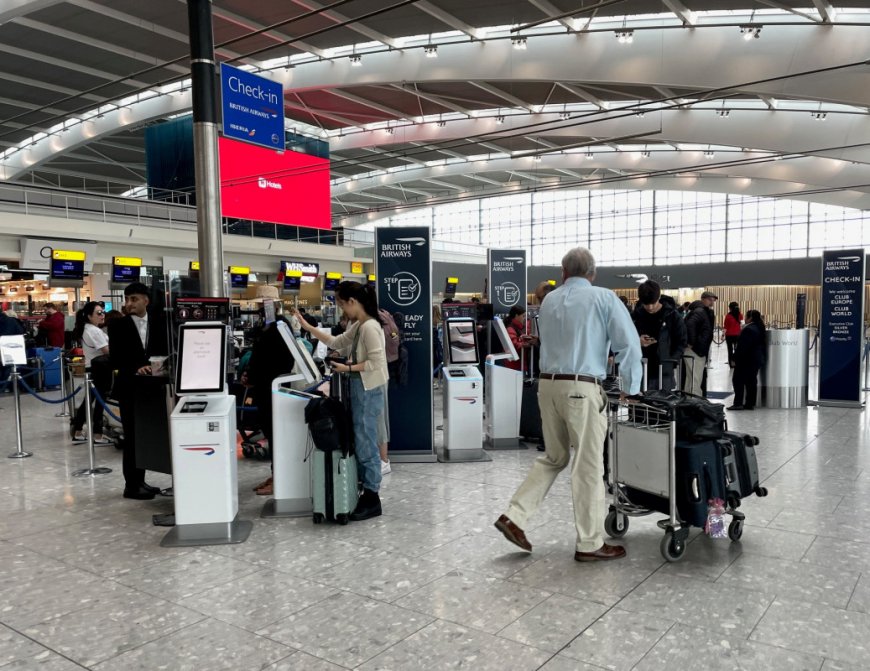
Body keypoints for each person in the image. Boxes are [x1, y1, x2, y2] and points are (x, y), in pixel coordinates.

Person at [495, 247, 641, 562]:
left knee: (555, 457)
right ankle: (590, 543)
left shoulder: (549, 300)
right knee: (588, 464)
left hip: (548, 387)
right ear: (593, 273)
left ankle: (515, 516)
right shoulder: (603, 298)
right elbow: (628, 345)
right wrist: (631, 389)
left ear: (563, 272)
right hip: (581, 387)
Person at [294, 281, 389, 521]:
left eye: (341, 304)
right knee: (360, 437)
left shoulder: (369, 327)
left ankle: (372, 497)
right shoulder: (360, 326)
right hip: (362, 387)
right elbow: (336, 342)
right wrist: (307, 326)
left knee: (365, 439)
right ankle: (368, 491)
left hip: (368, 388)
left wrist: (347, 367)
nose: (341, 309)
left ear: (353, 302)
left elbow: (377, 363)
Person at [108, 282, 167, 500]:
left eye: (134, 299)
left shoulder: (160, 323)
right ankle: (131, 485)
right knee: (132, 435)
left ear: (146, 300)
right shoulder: (118, 326)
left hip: (154, 388)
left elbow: (165, 350)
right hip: (130, 387)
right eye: (127, 299)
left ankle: (141, 480)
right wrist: (136, 367)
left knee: (147, 434)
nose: (129, 303)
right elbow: (115, 358)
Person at [70, 302, 113, 444]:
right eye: (98, 313)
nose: (102, 316)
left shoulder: (88, 329)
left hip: (92, 368)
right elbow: (106, 351)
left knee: (88, 401)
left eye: (103, 312)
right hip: (99, 369)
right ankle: (97, 434)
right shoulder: (94, 331)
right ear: (89, 316)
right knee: (99, 402)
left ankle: (77, 430)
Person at [632, 280, 687, 391]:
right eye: (646, 304)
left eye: (653, 303)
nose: (650, 307)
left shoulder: (672, 315)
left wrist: (671, 361)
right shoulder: (636, 316)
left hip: (664, 371)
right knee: (640, 406)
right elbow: (624, 338)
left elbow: (681, 341)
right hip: (640, 370)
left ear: (658, 298)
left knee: (662, 406)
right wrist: (638, 341)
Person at [729, 310, 767, 411]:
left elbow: (742, 347)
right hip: (756, 359)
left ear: (750, 318)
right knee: (751, 381)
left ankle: (738, 403)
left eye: (746, 317)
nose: (744, 319)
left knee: (737, 380)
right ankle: (750, 403)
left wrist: (734, 358)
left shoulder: (749, 330)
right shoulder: (759, 327)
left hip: (746, 360)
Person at [683, 291, 717, 396]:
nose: (712, 302)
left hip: (696, 350)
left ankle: (689, 401)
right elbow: (690, 325)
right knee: (695, 378)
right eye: (710, 299)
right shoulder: (700, 311)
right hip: (696, 350)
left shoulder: (701, 311)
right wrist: (692, 343)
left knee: (692, 378)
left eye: (713, 300)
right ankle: (695, 402)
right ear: (703, 299)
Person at [502, 305, 537, 372]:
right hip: (515, 365)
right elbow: (514, 345)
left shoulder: (519, 327)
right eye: (523, 316)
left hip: (519, 363)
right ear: (516, 315)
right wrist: (527, 343)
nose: (524, 318)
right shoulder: (510, 328)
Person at [724, 302, 743, 369]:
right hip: (738, 335)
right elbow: (742, 325)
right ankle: (736, 362)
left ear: (730, 308)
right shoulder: (740, 315)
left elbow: (725, 327)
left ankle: (731, 364)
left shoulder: (728, 316)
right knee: (737, 349)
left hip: (729, 335)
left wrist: (723, 335)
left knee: (730, 350)